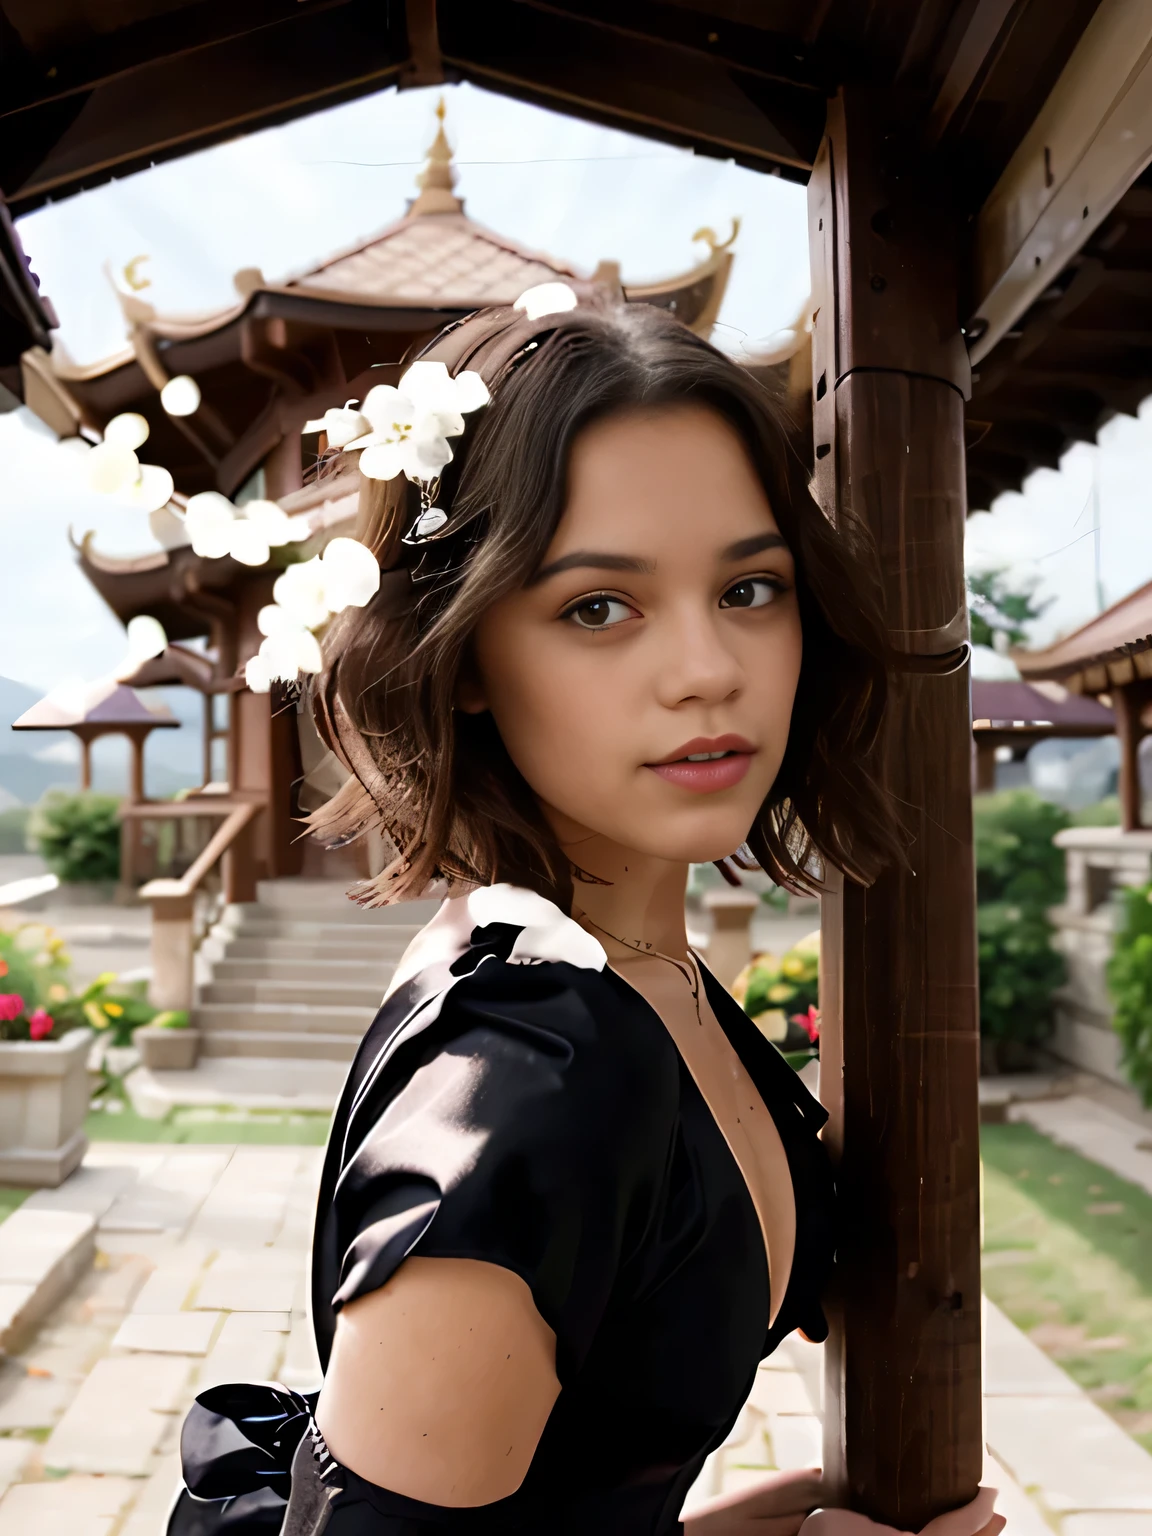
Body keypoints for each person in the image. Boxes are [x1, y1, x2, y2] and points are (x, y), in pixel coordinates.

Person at [171, 287, 899, 1536]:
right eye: (597, 608)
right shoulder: (529, 1077)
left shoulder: (633, 970)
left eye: (750, 589)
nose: (708, 671)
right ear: (458, 662)